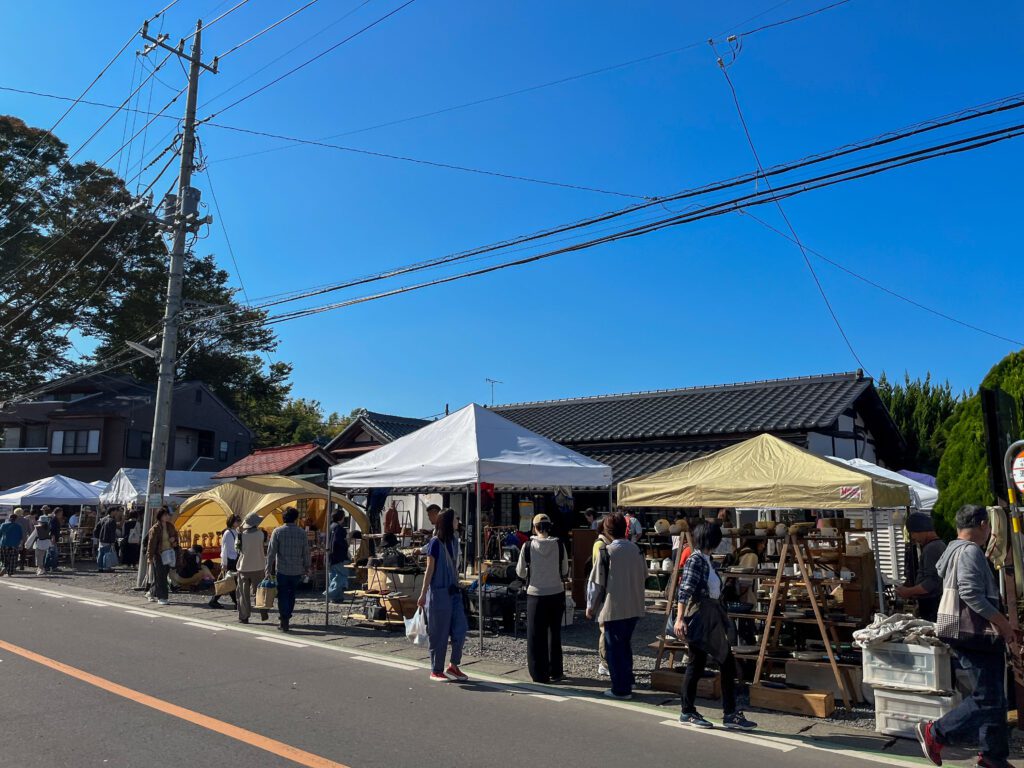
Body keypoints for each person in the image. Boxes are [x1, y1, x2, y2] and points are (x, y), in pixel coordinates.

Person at [917, 504, 1016, 768]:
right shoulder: (970, 551)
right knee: (988, 698)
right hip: (975, 633)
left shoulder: (952, 550)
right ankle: (936, 732)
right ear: (983, 525)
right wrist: (1004, 624)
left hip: (962, 631)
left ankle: (993, 756)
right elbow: (971, 594)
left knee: (994, 696)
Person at [674, 523, 757, 730]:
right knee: (699, 663)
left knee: (715, 662)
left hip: (710, 617)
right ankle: (689, 711)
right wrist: (679, 618)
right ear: (713, 541)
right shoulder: (696, 560)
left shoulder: (706, 560)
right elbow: (684, 590)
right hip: (701, 617)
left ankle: (725, 712)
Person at [586, 513, 646, 700]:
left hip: (614, 607)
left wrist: (590, 607)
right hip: (635, 605)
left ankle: (621, 689)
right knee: (625, 645)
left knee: (614, 649)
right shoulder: (637, 550)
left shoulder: (607, 552)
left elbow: (595, 584)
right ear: (626, 529)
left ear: (606, 530)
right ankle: (628, 679)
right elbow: (644, 575)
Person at [516, 513, 569, 683]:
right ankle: (556, 671)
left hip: (536, 594)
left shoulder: (527, 546)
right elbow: (565, 570)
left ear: (535, 527)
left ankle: (539, 673)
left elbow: (520, 572)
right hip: (556, 592)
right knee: (554, 633)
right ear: (549, 527)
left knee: (535, 635)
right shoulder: (559, 544)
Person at [417, 508, 469, 683]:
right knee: (439, 633)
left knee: (460, 628)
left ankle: (453, 665)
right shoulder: (435, 543)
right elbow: (429, 569)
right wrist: (423, 594)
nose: (458, 521)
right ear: (448, 522)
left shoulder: (454, 540)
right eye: (456, 519)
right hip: (438, 592)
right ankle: (436, 669)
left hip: (453, 591)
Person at [265, 507, 310, 633]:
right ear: (296, 519)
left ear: (283, 518)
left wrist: (268, 569)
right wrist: (307, 567)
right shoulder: (302, 533)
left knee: (282, 594)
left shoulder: (277, 532)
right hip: (296, 569)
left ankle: (284, 618)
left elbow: (271, 553)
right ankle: (287, 615)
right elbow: (306, 552)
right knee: (292, 594)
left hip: (282, 569)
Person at [896, 512, 946, 623]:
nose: (913, 538)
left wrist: (908, 592)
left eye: (913, 533)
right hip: (933, 603)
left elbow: (931, 583)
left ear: (921, 530)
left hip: (932, 605)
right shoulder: (936, 545)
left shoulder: (932, 548)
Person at [236, 512, 269, 624]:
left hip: (244, 567)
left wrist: (239, 533)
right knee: (259, 591)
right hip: (259, 566)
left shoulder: (241, 535)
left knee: (243, 594)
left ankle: (244, 616)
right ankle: (263, 610)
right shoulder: (261, 534)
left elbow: (238, 549)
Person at [592, 517, 614, 676]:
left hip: (605, 591)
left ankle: (607, 661)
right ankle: (603, 663)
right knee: (604, 628)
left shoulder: (604, 545)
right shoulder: (601, 546)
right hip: (603, 591)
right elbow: (598, 574)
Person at [146, 507, 179, 605]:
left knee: (162, 575)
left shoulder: (170, 526)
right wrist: (149, 557)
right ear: (160, 516)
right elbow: (151, 544)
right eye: (165, 515)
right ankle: (162, 597)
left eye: (168, 515)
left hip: (168, 553)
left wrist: (174, 541)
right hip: (158, 554)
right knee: (161, 576)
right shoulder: (155, 528)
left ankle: (151, 593)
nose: (167, 516)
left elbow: (176, 537)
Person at [210, 514, 241, 609]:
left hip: (234, 559)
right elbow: (225, 549)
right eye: (237, 521)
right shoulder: (228, 533)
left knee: (230, 581)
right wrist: (224, 563)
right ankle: (215, 600)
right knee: (229, 581)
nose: (238, 522)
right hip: (230, 560)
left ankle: (234, 602)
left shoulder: (234, 532)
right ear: (232, 522)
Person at [325, 509, 349, 603]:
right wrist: (346, 544)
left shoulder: (330, 527)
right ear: (342, 518)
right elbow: (337, 541)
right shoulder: (340, 529)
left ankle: (337, 598)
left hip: (330, 556)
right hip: (339, 556)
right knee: (341, 577)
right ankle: (329, 594)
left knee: (333, 577)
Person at [94, 509, 119, 573]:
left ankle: (100, 567)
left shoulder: (103, 519)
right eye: (116, 511)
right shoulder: (112, 520)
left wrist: (98, 536)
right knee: (107, 553)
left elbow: (96, 529)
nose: (117, 513)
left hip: (101, 539)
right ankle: (107, 568)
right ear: (112, 511)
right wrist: (113, 541)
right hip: (108, 539)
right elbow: (112, 532)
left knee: (101, 553)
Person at [0, 511, 24, 576]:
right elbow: (21, 537)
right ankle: (10, 572)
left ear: (9, 518)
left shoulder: (3, 525)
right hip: (14, 545)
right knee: (12, 559)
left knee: (4, 558)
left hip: (4, 544)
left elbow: (0, 534)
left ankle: (4, 567)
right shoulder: (19, 526)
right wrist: (21, 545)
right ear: (16, 519)